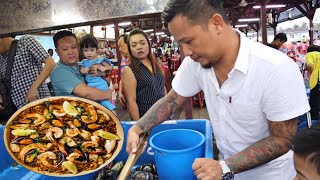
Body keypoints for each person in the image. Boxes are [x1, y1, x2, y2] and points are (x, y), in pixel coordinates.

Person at [126, 0, 310, 179]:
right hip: (225, 169)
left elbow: (282, 139)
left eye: (189, 41)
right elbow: (173, 99)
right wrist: (137, 128)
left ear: (216, 24)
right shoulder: (195, 63)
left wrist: (224, 166)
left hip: (270, 175)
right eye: (180, 43)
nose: (186, 51)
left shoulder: (275, 68)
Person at [50, 30, 114, 106]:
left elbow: (106, 77)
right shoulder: (59, 71)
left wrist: (103, 73)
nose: (70, 52)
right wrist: (108, 94)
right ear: (57, 51)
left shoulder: (80, 65)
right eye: (65, 49)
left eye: (74, 47)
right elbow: (85, 93)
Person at [0, 36, 55, 110]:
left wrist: (33, 88)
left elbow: (50, 63)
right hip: (19, 108)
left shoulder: (25, 41)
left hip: (40, 101)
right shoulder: (1, 58)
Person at [122, 29, 165, 120]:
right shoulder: (129, 70)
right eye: (134, 45)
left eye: (142, 43)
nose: (139, 47)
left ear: (148, 45)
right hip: (146, 119)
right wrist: (139, 128)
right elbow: (131, 102)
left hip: (164, 116)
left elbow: (162, 87)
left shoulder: (155, 63)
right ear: (130, 49)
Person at [78, 34, 116, 111]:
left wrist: (104, 68)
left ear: (97, 49)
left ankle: (110, 108)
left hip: (100, 84)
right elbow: (80, 69)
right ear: (82, 51)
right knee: (95, 103)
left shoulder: (99, 60)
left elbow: (110, 67)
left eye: (92, 50)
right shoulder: (83, 62)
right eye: (86, 50)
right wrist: (82, 70)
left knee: (102, 101)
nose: (89, 53)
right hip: (90, 85)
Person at [306, 45, 320, 120]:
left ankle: (315, 119)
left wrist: (311, 71)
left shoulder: (309, 55)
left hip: (316, 80)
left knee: (314, 100)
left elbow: (310, 65)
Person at [117, 34, 130, 108]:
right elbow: (122, 78)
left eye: (121, 46)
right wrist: (120, 92)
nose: (119, 49)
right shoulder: (124, 60)